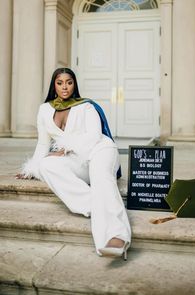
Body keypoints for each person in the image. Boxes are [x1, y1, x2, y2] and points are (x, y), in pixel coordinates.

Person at [17, 68, 131, 260]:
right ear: (54, 85)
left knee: (101, 179)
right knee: (46, 166)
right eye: (60, 82)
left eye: (69, 82)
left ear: (74, 84)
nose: (65, 87)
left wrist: (68, 146)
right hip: (75, 159)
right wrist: (32, 168)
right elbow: (43, 143)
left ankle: (118, 236)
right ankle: (99, 206)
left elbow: (94, 136)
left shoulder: (85, 106)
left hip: (100, 150)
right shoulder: (44, 110)